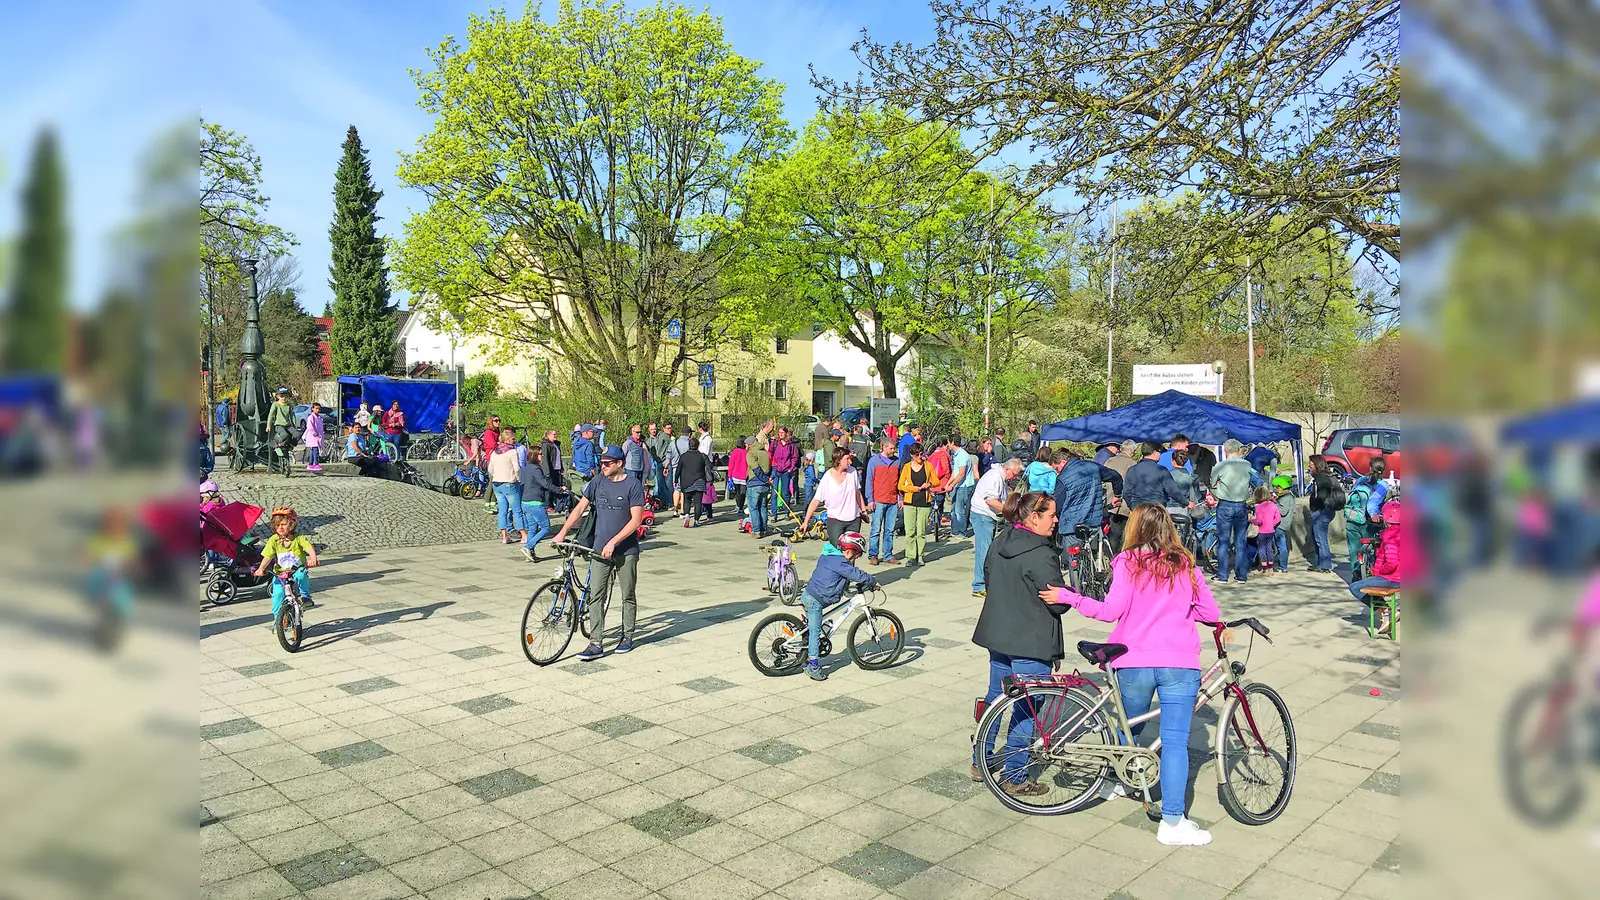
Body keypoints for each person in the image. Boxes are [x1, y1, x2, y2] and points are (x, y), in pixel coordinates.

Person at [971, 491, 1070, 794]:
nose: (1056, 520)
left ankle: (980, 761)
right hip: (1030, 638)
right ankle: (1015, 776)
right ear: (1033, 517)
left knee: (995, 698)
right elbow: (1057, 602)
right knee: (1027, 706)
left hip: (998, 631)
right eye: (1051, 514)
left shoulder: (1003, 538)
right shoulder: (1042, 553)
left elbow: (988, 574)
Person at [551, 445, 645, 659]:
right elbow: (580, 508)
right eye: (601, 462)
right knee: (595, 595)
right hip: (599, 548)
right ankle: (595, 642)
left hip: (626, 550)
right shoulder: (598, 481)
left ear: (619, 464)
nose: (602, 466)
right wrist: (562, 532)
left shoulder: (633, 485)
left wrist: (614, 541)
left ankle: (627, 635)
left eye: (607, 463)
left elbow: (636, 521)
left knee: (627, 594)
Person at [799, 531, 881, 681]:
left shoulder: (830, 556)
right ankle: (813, 666)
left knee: (813, 627)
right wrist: (872, 581)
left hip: (810, 595)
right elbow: (855, 574)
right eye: (856, 556)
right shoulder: (841, 562)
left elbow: (836, 579)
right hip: (815, 600)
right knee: (815, 633)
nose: (856, 559)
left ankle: (805, 647)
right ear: (849, 551)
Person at [971, 457, 1025, 598]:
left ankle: (984, 582)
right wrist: (1007, 510)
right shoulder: (994, 477)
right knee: (984, 550)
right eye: (1014, 474)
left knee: (987, 549)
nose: (1015, 477)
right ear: (1007, 469)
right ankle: (979, 585)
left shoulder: (1000, 477)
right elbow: (990, 500)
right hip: (982, 515)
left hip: (988, 516)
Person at [254, 506, 320, 622]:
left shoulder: (298, 538)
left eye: (284, 524)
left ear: (292, 524)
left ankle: (305, 597)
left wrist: (313, 558)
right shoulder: (273, 540)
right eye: (277, 525)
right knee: (277, 595)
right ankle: (278, 620)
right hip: (281, 572)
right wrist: (261, 568)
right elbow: (267, 557)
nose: (280, 527)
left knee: (301, 575)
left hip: (297, 569)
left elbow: (309, 548)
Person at [1347, 500, 1403, 635]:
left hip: (1393, 578)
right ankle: (1388, 612)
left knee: (1355, 587)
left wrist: (1379, 572)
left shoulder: (1390, 536)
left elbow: (1391, 563)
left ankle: (1386, 611)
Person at [1210, 440, 1256, 584]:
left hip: (1225, 505)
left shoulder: (1221, 465)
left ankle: (1222, 574)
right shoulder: (1247, 465)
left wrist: (1218, 492)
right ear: (1239, 450)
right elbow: (1257, 480)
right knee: (1240, 541)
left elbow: (1212, 483)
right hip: (1241, 505)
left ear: (1225, 451)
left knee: (1223, 541)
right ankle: (1241, 575)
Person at [804, 447, 867, 545]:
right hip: (835, 521)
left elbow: (857, 493)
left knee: (851, 553)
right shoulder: (827, 477)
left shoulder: (853, 472)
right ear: (838, 460)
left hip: (854, 520)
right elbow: (816, 500)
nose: (850, 461)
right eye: (847, 459)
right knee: (837, 552)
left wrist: (864, 511)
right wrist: (806, 521)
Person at [1345, 456, 1391, 580]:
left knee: (1354, 549)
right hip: (1368, 521)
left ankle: (1355, 576)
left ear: (1370, 467)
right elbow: (1373, 502)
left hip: (1352, 518)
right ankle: (1369, 575)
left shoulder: (1360, 480)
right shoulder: (1383, 485)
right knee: (1371, 550)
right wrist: (1374, 514)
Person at [1054, 446, 1106, 552]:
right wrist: (1118, 495)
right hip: (1094, 520)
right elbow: (1115, 476)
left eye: (1056, 468)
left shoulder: (1063, 478)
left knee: (1073, 558)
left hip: (1072, 524)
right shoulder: (1092, 466)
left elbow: (1057, 503)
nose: (1057, 472)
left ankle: (1075, 566)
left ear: (1063, 462)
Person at [898, 442, 941, 567]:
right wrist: (912, 488)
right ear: (912, 455)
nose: (920, 457)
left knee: (921, 531)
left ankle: (920, 555)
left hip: (924, 502)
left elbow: (936, 481)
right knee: (910, 531)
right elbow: (900, 485)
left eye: (921, 454)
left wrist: (929, 484)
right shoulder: (906, 467)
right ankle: (911, 556)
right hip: (910, 502)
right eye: (917, 455)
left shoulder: (928, 466)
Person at [864, 437, 902, 565]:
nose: (893, 450)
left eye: (894, 448)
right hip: (878, 500)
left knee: (889, 530)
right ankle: (873, 555)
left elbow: (900, 481)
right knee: (875, 529)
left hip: (892, 500)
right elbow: (869, 480)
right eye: (891, 448)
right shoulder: (874, 461)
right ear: (884, 447)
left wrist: (900, 497)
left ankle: (888, 554)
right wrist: (870, 499)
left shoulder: (897, 462)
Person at [488, 427, 528, 546]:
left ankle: (504, 536)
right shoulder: (512, 452)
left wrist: (496, 475)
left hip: (497, 483)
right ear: (508, 439)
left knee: (502, 511)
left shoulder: (495, 451)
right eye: (513, 439)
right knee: (517, 510)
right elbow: (517, 468)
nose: (514, 441)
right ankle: (524, 535)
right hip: (509, 483)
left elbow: (490, 469)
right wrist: (518, 478)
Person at [1123, 442, 1190, 511]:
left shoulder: (1132, 470)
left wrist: (1133, 506)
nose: (1160, 455)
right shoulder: (1161, 470)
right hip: (1156, 510)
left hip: (1138, 509)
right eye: (1159, 452)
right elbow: (1173, 491)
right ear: (1155, 452)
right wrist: (1187, 503)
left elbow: (1126, 492)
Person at [520, 445, 559, 562]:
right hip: (534, 503)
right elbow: (544, 484)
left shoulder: (528, 468)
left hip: (525, 502)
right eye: (540, 454)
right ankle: (527, 547)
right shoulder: (536, 469)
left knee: (532, 528)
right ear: (534, 456)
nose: (542, 455)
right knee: (546, 528)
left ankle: (530, 554)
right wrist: (559, 489)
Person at [1307, 455, 1339, 573]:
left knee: (1321, 539)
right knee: (1318, 538)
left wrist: (1315, 508)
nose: (1309, 465)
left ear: (1317, 464)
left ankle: (1325, 565)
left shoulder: (1321, 478)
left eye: (1311, 463)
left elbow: (1321, 496)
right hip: (1326, 511)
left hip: (1322, 512)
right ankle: (1319, 563)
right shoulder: (1326, 476)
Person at [677, 435, 710, 527]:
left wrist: (676, 479)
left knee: (687, 500)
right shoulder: (702, 456)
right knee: (698, 502)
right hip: (699, 481)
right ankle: (696, 520)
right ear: (698, 445)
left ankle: (687, 516)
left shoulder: (683, 456)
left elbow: (679, 469)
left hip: (686, 482)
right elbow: (709, 466)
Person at [949, 436, 976, 538]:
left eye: (948, 443)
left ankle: (962, 532)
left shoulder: (962, 455)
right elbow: (955, 472)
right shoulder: (956, 455)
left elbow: (961, 474)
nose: (948, 445)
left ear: (952, 443)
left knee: (959, 510)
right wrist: (948, 483)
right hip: (958, 485)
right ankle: (955, 530)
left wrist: (952, 485)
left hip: (964, 486)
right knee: (953, 508)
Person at [746, 437, 773, 537]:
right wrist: (767, 479)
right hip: (765, 484)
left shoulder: (751, 453)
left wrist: (764, 479)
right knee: (763, 507)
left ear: (749, 445)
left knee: (753, 508)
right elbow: (771, 467)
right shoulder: (765, 453)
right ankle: (764, 529)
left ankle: (756, 530)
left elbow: (755, 468)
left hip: (755, 483)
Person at [770, 426, 799, 513]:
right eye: (779, 432)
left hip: (786, 470)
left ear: (786, 433)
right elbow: (769, 454)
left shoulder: (791, 444)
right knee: (774, 492)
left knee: (785, 492)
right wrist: (772, 465)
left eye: (782, 432)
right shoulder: (775, 443)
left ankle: (787, 512)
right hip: (776, 469)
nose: (781, 434)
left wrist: (791, 468)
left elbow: (794, 457)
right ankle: (774, 513)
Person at [1252, 485, 1280, 574]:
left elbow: (1259, 520)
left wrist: (1252, 520)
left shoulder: (1259, 507)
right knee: (1269, 549)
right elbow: (1278, 518)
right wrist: (1272, 524)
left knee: (1262, 549)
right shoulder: (1273, 505)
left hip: (1261, 531)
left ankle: (1264, 568)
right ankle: (1271, 568)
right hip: (1271, 530)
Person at [266, 388, 297, 465]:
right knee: (285, 435)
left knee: (297, 434)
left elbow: (292, 415)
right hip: (279, 425)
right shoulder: (275, 404)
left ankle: (290, 447)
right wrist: (268, 426)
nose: (284, 398)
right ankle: (278, 445)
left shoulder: (289, 405)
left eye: (285, 396)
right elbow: (271, 415)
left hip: (287, 425)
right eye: (282, 396)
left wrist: (294, 425)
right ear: (278, 396)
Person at [1273, 475, 1296, 572]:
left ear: (1281, 487)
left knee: (1281, 546)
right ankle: (1281, 565)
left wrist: (1274, 503)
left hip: (1280, 525)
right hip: (1285, 524)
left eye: (1277, 487)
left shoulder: (1285, 498)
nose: (1276, 489)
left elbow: (1282, 511)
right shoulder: (1290, 496)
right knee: (1280, 545)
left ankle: (1282, 566)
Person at [728, 437, 749, 520]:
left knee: (737, 492)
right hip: (744, 476)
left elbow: (731, 464)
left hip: (735, 475)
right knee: (743, 493)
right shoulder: (746, 452)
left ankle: (738, 505)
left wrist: (729, 476)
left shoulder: (734, 452)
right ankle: (741, 507)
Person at [662, 422, 681, 511]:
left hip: (674, 464)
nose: (669, 430)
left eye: (670, 428)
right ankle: (670, 502)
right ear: (664, 428)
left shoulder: (673, 439)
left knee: (674, 485)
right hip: (667, 463)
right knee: (668, 484)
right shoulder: (661, 437)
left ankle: (674, 503)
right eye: (668, 428)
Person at [302, 402, 325, 473]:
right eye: (316, 408)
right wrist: (315, 434)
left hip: (318, 436)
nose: (318, 410)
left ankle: (310, 464)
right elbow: (310, 427)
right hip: (313, 437)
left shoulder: (319, 417)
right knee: (315, 450)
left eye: (319, 409)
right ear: (312, 409)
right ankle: (316, 463)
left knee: (313, 450)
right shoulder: (311, 417)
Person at [645, 422, 665, 497]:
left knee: (665, 483)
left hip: (664, 462)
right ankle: (657, 498)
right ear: (649, 430)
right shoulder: (648, 442)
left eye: (654, 429)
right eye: (651, 429)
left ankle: (664, 500)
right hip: (655, 464)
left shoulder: (662, 437)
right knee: (657, 482)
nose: (653, 431)